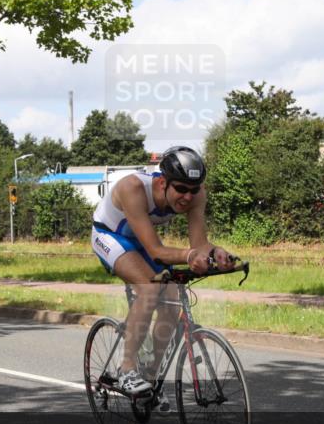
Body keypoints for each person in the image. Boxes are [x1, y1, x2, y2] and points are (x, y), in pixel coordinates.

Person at [90, 146, 236, 407]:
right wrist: (191, 257)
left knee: (171, 303)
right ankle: (127, 369)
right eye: (181, 189)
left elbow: (199, 243)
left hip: (140, 243)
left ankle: (150, 376)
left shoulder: (196, 194)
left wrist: (217, 253)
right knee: (148, 289)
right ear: (162, 182)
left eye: (193, 190)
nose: (188, 197)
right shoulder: (133, 188)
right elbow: (156, 251)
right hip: (110, 236)